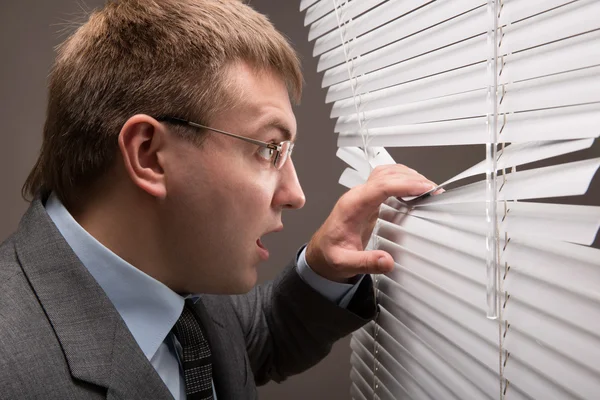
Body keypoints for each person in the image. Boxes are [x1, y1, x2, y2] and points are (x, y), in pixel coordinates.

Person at [0, 1, 436, 399]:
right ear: (149, 154)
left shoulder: (178, 273)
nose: (296, 195)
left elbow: (257, 335)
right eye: (269, 149)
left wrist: (323, 268)